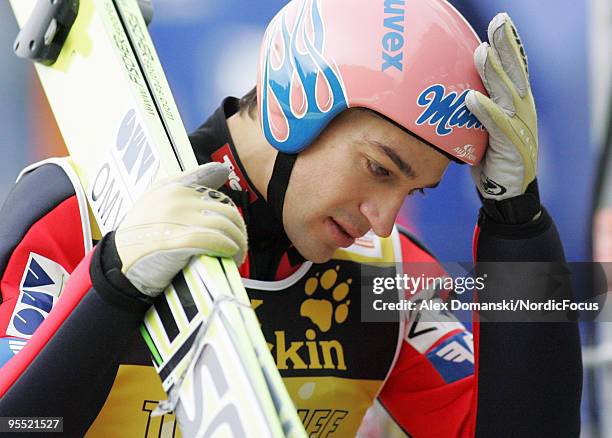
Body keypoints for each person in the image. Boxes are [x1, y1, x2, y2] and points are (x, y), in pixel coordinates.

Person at [0, 0, 582, 436]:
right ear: (296, 101)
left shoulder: (388, 279)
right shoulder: (75, 216)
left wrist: (518, 224)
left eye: (415, 192)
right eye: (380, 169)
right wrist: (111, 288)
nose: (383, 221)